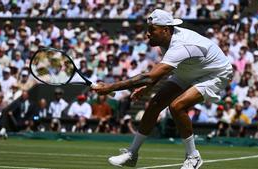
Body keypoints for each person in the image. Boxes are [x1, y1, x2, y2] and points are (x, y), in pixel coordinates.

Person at [92, 9, 233, 169]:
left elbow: (151, 76)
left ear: (166, 30)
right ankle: (132, 154)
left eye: (152, 30)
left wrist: (110, 87)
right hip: (190, 70)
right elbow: (160, 72)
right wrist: (148, 88)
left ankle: (193, 157)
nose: (147, 34)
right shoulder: (165, 40)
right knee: (155, 104)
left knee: (177, 106)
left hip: (216, 73)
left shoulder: (181, 45)